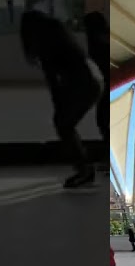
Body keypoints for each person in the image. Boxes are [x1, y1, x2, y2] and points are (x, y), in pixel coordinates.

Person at [20, 10, 100, 188]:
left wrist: (59, 106)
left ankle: (84, 169)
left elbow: (54, 81)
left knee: (63, 125)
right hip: (90, 83)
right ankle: (84, 167)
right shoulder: (57, 34)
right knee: (64, 125)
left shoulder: (45, 44)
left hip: (84, 86)